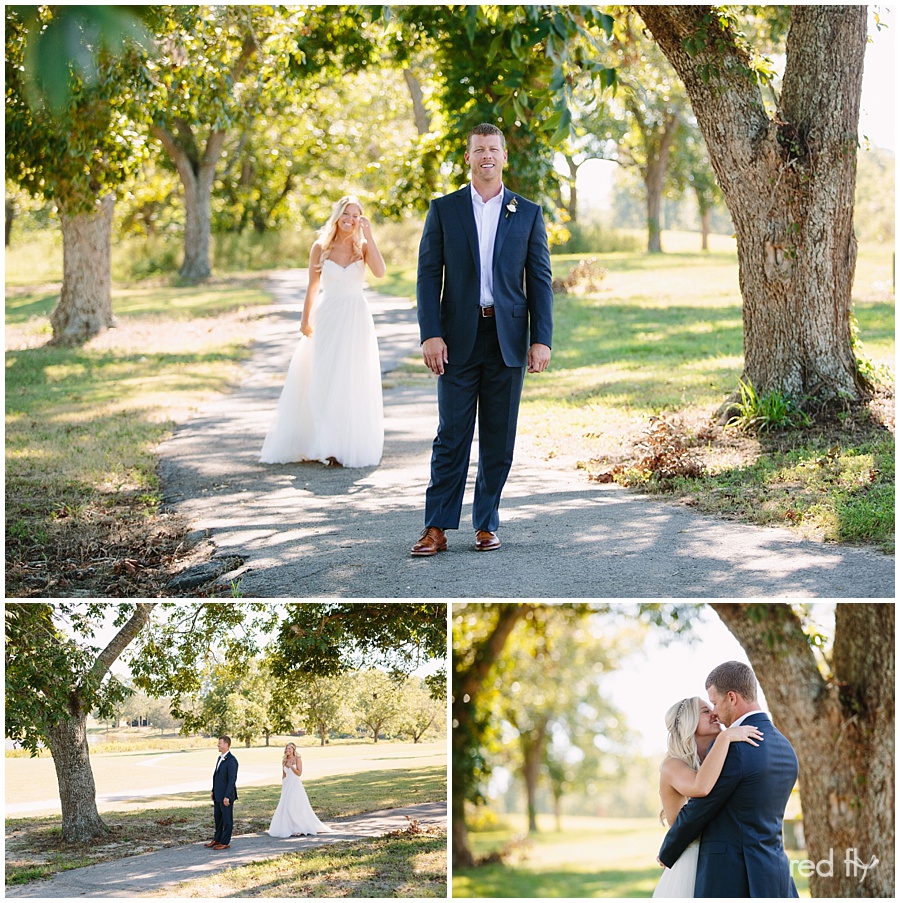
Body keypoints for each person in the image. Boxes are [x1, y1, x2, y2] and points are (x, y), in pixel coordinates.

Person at [411, 123, 554, 556]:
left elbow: (540, 280)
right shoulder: (444, 209)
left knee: (499, 435)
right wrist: (431, 334)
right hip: (456, 338)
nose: (486, 156)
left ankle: (487, 523)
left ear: (504, 157)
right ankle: (436, 527)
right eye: (479, 149)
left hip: (508, 338)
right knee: (451, 434)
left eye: (494, 149)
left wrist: (541, 338)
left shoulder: (527, 212)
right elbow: (427, 276)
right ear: (468, 157)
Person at [260, 195, 386, 468]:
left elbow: (380, 272)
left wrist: (370, 237)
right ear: (338, 215)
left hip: (356, 318)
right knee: (325, 376)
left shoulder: (362, 248)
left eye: (356, 215)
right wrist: (305, 319)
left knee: (350, 378)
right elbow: (312, 287)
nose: (351, 220)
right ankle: (324, 442)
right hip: (328, 316)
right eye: (347, 214)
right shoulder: (321, 247)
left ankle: (343, 444)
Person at [657, 662, 800, 898]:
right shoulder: (784, 746)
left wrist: (668, 850)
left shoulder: (735, 745)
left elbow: (702, 805)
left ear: (731, 698)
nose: (714, 711)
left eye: (713, 702)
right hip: (774, 870)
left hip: (730, 874)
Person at [653, 697, 763, 897]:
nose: (714, 712)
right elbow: (700, 787)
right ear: (689, 721)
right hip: (690, 862)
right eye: (705, 711)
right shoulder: (672, 765)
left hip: (726, 859)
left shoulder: (724, 757)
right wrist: (725, 737)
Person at [267, 742, 333, 837]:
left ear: (293, 749)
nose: (288, 750)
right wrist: (283, 783)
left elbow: (299, 773)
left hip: (295, 784)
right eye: (287, 748)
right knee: (285, 805)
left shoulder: (297, 759)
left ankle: (298, 827)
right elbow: (284, 774)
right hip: (287, 785)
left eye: (290, 749)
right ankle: (289, 827)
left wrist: (291, 767)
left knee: (294, 804)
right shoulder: (284, 760)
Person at [205, 735, 238, 850]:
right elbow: (217, 777)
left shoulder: (232, 760)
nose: (218, 745)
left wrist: (227, 796)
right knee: (218, 818)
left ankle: (225, 842)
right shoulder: (220, 758)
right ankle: (217, 839)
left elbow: (231, 780)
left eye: (220, 743)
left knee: (227, 819)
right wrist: (213, 791)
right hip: (217, 795)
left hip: (226, 796)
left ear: (226, 745)